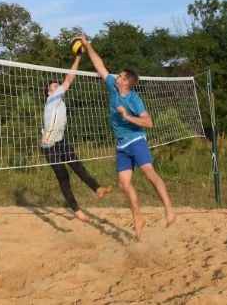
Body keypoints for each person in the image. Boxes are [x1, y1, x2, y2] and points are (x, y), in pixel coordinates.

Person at [79, 34, 175, 241]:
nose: (117, 77)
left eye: (121, 76)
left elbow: (149, 123)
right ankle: (138, 219)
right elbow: (99, 65)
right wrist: (88, 45)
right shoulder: (113, 87)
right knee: (123, 184)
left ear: (127, 83)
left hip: (136, 140)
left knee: (149, 173)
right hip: (122, 145)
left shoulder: (134, 99)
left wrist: (127, 116)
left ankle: (169, 209)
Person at [41, 54, 111, 222]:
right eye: (54, 86)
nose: (58, 88)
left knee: (78, 167)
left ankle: (98, 188)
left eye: (58, 86)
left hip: (61, 141)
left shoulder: (60, 101)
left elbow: (67, 82)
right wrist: (78, 56)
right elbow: (70, 78)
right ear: (49, 92)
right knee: (63, 176)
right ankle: (77, 210)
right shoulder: (52, 99)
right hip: (49, 145)